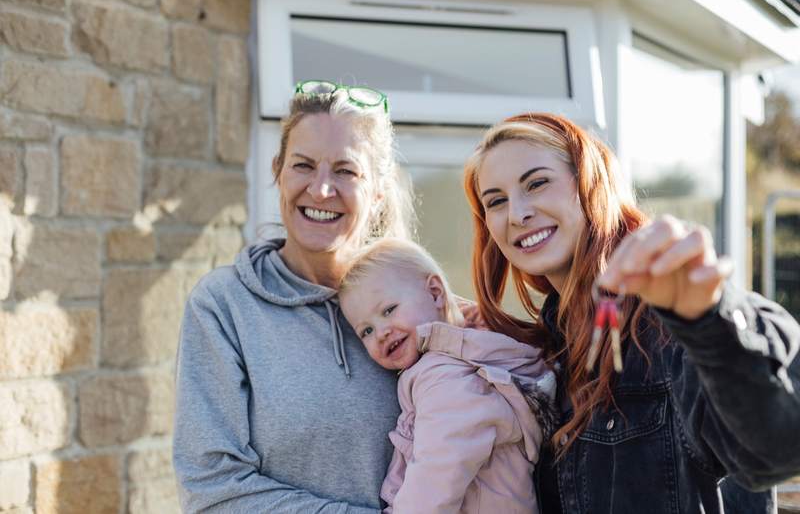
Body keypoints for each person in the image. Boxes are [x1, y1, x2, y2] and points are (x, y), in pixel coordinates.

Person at [451, 112, 800, 513]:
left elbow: (776, 449)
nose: (517, 213)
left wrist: (707, 318)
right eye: (496, 201)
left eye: (537, 183)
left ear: (589, 185)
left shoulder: (671, 320)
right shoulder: (546, 355)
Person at [172, 81, 416, 513]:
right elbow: (212, 492)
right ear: (277, 172)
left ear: (378, 190)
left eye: (345, 170)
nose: (321, 190)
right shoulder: (225, 307)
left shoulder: (415, 300)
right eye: (303, 165)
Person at [338, 238, 556, 514]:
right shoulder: (468, 355)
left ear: (435, 292)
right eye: (366, 330)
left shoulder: (446, 379)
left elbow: (435, 479)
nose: (381, 332)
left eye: (389, 310)